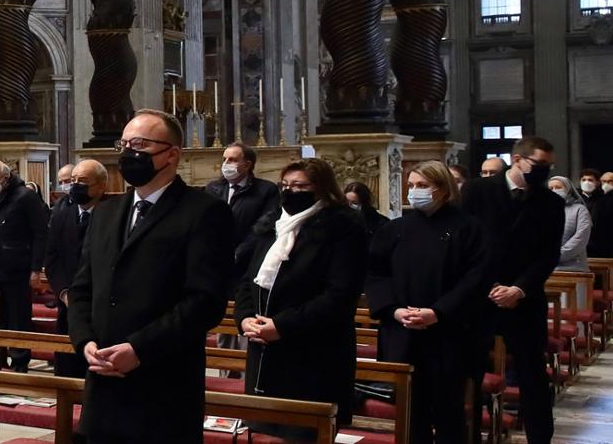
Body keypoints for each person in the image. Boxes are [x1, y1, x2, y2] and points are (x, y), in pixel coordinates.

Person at [68, 109, 235, 443]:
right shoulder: (106, 213)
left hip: (163, 386)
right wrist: (84, 340)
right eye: (125, 144)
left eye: (140, 144)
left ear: (171, 154)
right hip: (103, 385)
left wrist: (138, 348)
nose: (129, 153)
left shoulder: (203, 212)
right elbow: (83, 287)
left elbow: (205, 301)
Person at [233, 158, 368, 437]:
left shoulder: (343, 227)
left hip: (313, 352)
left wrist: (281, 326)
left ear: (320, 188)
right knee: (261, 432)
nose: (289, 192)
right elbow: (249, 279)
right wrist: (244, 318)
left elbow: (339, 295)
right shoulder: (273, 223)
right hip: (263, 348)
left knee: (302, 432)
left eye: (298, 186)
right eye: (285, 185)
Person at [367, 162, 488, 444]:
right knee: (410, 412)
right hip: (402, 330)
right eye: (411, 186)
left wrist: (438, 312)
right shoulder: (395, 228)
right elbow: (376, 274)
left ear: (443, 189)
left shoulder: (468, 228)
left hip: (448, 332)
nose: (414, 192)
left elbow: (476, 279)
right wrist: (393, 310)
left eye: (422, 186)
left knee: (449, 411)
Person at [462, 136, 563, 444]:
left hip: (524, 298)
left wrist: (518, 288)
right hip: (481, 296)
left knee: (533, 374)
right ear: (517, 160)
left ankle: (539, 438)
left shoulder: (551, 202)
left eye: (548, 166)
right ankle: (469, 435)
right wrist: (487, 284)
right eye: (539, 164)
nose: (543, 171)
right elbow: (466, 244)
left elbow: (548, 254)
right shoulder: (477, 192)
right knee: (471, 371)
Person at [0, 157, 50, 372]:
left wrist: (36, 268)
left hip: (17, 269)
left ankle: (19, 363)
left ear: (6, 178)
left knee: (18, 318)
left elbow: (40, 233)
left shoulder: (25, 196)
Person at [42, 158, 105, 377]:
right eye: (73, 180)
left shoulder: (111, 214)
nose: (75, 185)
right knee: (67, 365)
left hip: (99, 303)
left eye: (83, 181)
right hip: (67, 301)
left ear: (100, 186)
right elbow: (52, 257)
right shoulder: (62, 213)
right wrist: (63, 292)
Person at [205, 143, 279, 288]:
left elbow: (264, 227)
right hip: (215, 263)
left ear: (247, 165)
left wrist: (238, 253)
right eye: (224, 159)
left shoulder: (266, 190)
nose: (226, 164)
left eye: (232, 160)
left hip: (248, 264)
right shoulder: (213, 188)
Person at [549, 176, 593, 273]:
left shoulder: (579, 209)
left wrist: (555, 256)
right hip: (545, 268)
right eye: (551, 188)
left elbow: (580, 238)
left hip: (573, 268)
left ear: (568, 189)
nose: (554, 190)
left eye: (558, 187)